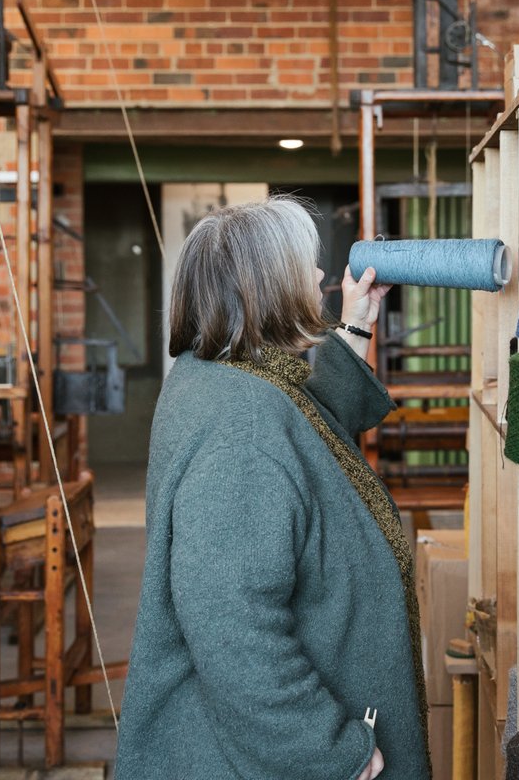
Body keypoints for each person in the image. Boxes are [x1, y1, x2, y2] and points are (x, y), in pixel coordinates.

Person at [115, 197, 430, 780]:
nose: (320, 275)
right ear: (269, 288)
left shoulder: (222, 377)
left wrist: (356, 323)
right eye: (306, 265)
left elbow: (305, 426)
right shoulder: (242, 433)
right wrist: (327, 752)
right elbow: (234, 629)